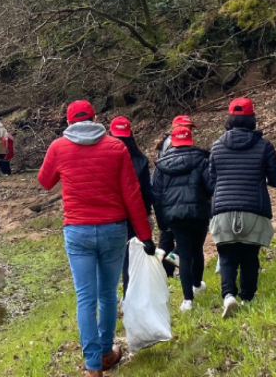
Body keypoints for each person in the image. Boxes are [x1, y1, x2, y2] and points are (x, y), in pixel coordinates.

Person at [37, 100, 154, 377]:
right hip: (114, 229)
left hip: (78, 231)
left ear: (69, 122)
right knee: (108, 294)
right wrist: (145, 235)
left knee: (86, 297)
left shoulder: (58, 147)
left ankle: (92, 367)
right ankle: (105, 352)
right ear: (95, 118)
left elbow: (45, 181)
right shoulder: (116, 147)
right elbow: (132, 194)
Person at [209, 97, 276, 318]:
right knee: (250, 257)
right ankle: (247, 298)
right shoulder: (264, 146)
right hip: (254, 210)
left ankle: (228, 296)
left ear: (229, 119)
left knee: (227, 256)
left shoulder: (217, 146)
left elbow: (211, 181)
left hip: (223, 210)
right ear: (252, 119)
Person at [151, 122, 212, 312]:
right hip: (199, 212)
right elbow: (211, 186)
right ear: (190, 140)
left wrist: (163, 223)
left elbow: (156, 196)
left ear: (173, 142)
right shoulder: (202, 160)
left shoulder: (161, 166)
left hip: (175, 216)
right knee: (197, 249)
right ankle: (197, 284)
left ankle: (187, 301)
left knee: (184, 254)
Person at [109, 116, 157, 295]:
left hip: (111, 215)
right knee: (130, 260)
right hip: (134, 216)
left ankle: (110, 297)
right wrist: (147, 214)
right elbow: (146, 192)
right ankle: (128, 295)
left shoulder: (105, 157)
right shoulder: (140, 159)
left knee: (110, 260)